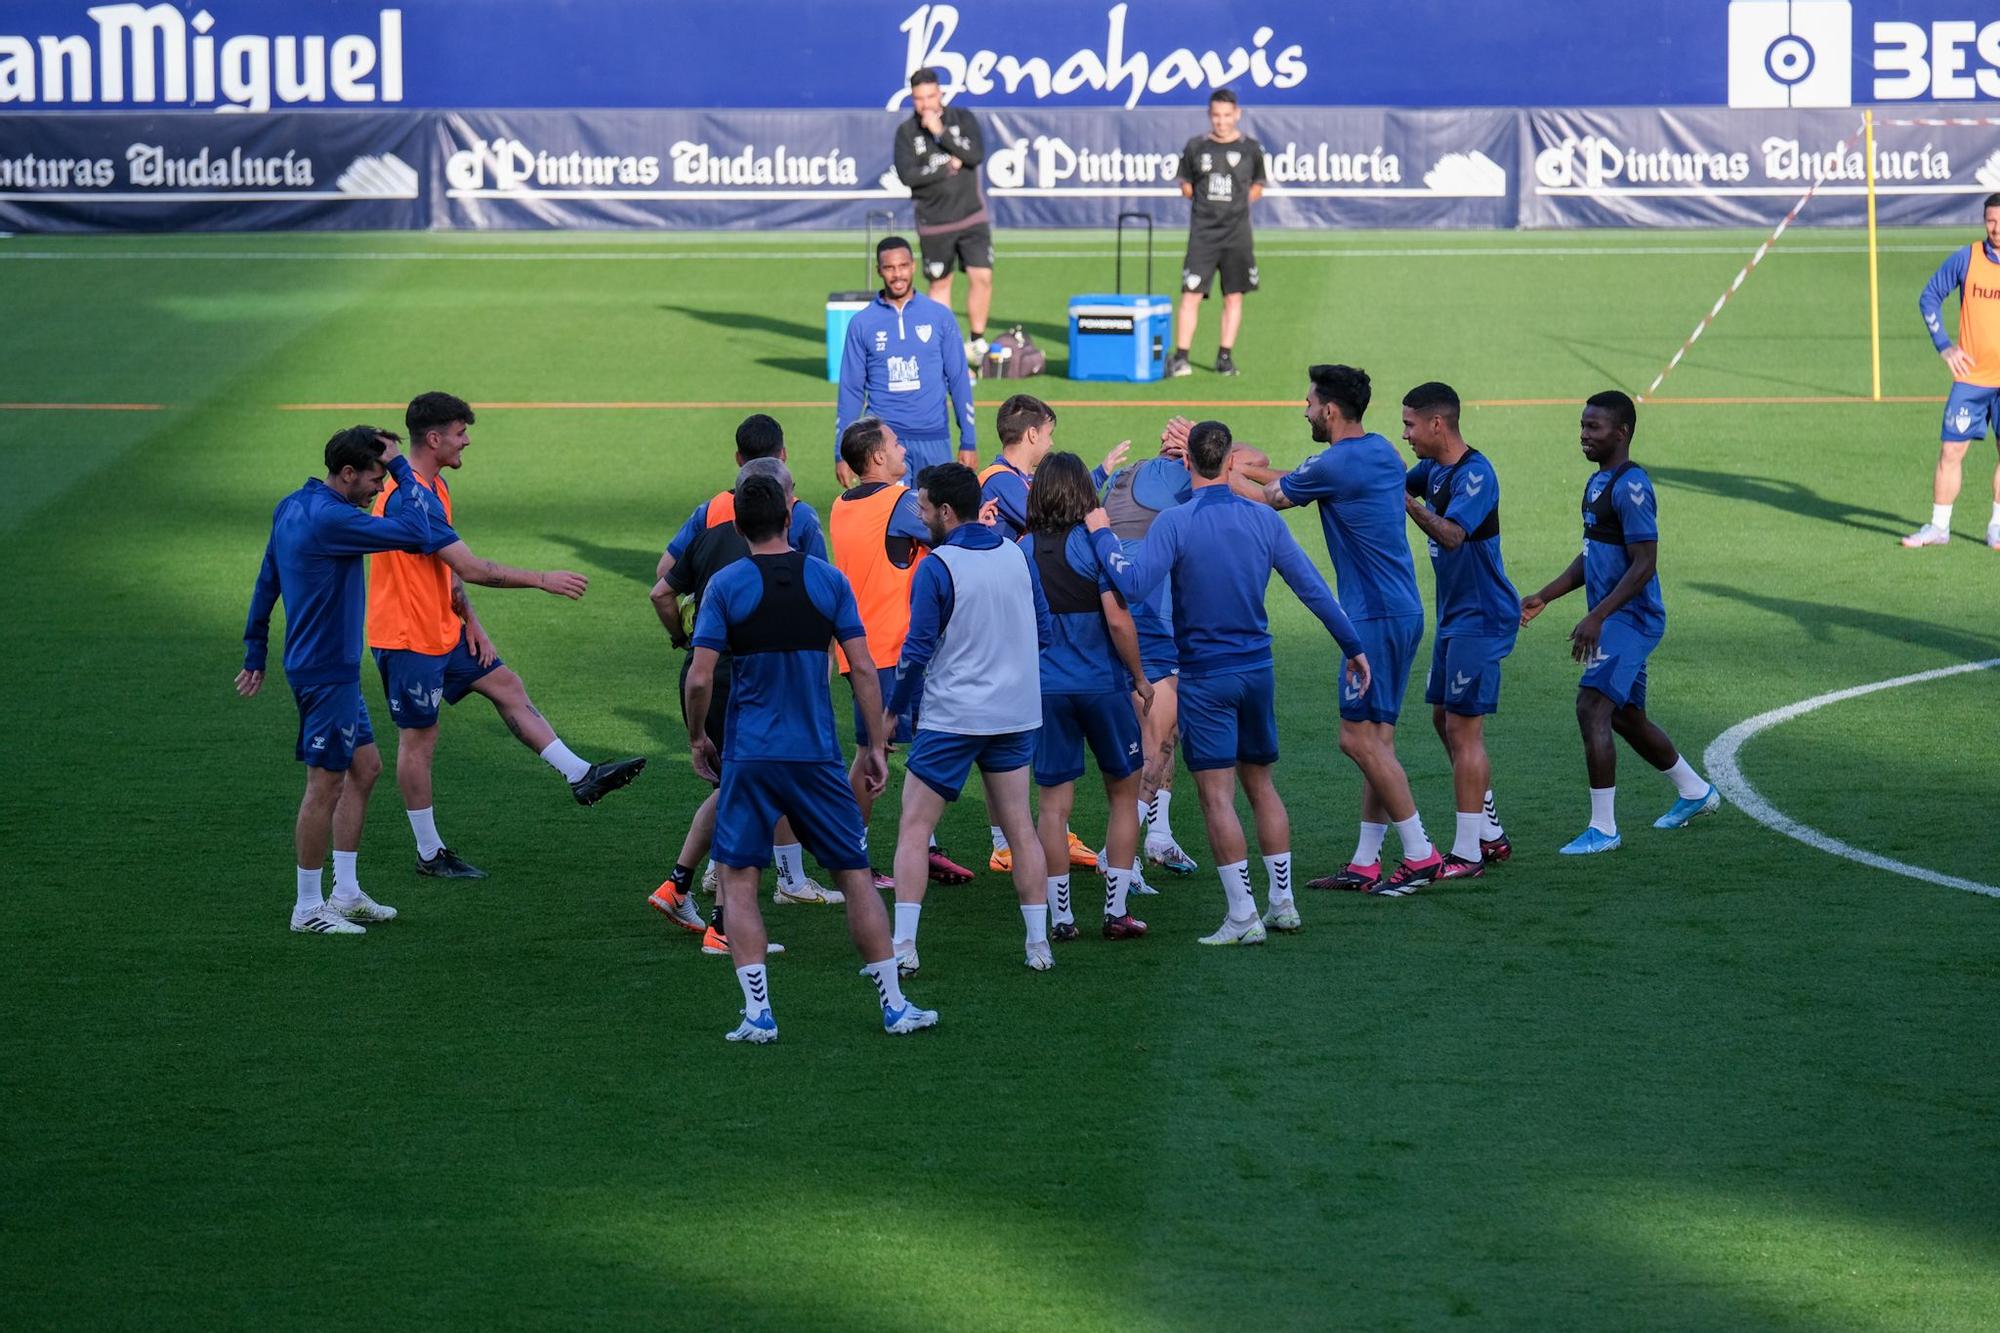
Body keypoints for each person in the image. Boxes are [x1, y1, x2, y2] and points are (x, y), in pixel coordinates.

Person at [682, 471, 937, 1043]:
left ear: (740, 524)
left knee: (739, 880)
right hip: (817, 757)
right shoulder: (828, 581)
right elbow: (864, 670)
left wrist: (699, 736)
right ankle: (895, 1006)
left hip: (750, 757)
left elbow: (700, 678)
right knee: (854, 877)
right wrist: (874, 744)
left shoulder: (725, 586)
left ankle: (758, 1015)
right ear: (791, 515)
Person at [1095, 421, 1370, 945]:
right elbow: (1314, 589)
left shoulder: (1175, 523)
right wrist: (1353, 647)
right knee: (1262, 786)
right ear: (1229, 463)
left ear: (1186, 464)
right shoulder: (1263, 520)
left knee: (1217, 798)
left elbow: (1131, 584)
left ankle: (1243, 915)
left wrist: (1099, 531)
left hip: (1204, 679)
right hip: (1257, 672)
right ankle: (1283, 903)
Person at [368, 392, 643, 882]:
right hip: (408, 639)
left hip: (444, 629)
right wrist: (542, 579)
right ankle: (430, 853)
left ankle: (580, 775)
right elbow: (473, 568)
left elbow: (447, 571)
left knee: (507, 685)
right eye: (459, 433)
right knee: (420, 739)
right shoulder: (409, 500)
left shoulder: (435, 487)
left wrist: (473, 625)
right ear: (433, 439)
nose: (466, 440)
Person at [240, 426, 460, 935]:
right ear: (347, 473)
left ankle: (345, 892)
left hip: (326, 667)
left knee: (366, 768)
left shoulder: (293, 505)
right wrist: (405, 468)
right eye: (375, 479)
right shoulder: (333, 520)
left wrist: (255, 648)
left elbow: (267, 576)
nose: (378, 489)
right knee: (325, 784)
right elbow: (421, 530)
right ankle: (307, 907)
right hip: (325, 672)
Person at [1231, 365, 1442, 892]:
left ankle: (1420, 853)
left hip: (1371, 616)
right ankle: (1367, 862)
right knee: (1379, 741)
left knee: (1355, 739)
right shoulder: (1378, 454)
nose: (1303, 411)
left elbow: (1272, 498)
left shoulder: (1337, 463)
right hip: (1402, 609)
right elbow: (1295, 478)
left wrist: (1210, 468)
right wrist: (1248, 469)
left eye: (1307, 403)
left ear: (1328, 410)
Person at [650, 419, 841, 933]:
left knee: (739, 783)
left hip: (708, 670)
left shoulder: (712, 511)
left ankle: (685, 883)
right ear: (784, 462)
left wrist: (684, 641)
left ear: (738, 462)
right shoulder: (796, 519)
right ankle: (727, 918)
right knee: (753, 784)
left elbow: (662, 589)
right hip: (763, 674)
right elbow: (821, 601)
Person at [1520, 391, 1721, 852]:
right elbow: (1593, 555)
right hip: (1615, 617)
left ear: (1622, 432)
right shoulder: (1598, 483)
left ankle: (1604, 829)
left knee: (1591, 707)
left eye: (1595, 428)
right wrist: (1545, 596)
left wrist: (1597, 614)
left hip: (1632, 619)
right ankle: (1696, 792)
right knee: (1627, 718)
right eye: (1582, 426)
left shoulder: (1632, 487)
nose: (1584, 436)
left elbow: (1644, 564)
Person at [885, 463, 1054, 975]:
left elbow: (916, 652)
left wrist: (895, 712)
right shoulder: (1017, 555)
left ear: (944, 510)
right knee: (1021, 828)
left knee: (914, 828)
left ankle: (904, 949)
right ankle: (1037, 945)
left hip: (954, 716)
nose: (918, 514)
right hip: (1015, 712)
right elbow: (1043, 632)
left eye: (923, 506)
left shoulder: (936, 567)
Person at [976, 393, 1128, 876]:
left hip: (1037, 640)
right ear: (1032, 434)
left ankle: (1049, 893)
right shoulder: (1001, 482)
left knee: (1041, 775)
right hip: (1034, 638)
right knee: (1112, 785)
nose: (1052, 440)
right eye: (1051, 432)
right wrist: (1097, 487)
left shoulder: (1015, 483)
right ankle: (1007, 842)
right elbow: (1058, 512)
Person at [827, 417, 978, 888]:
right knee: (904, 749)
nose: (903, 450)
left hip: (856, 650)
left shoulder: (840, 504)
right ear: (876, 457)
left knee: (878, 749)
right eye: (894, 443)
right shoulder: (898, 501)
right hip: (895, 650)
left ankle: (901, 851)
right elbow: (948, 532)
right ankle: (866, 859)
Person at [1020, 453, 1153, 942]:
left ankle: (1061, 918)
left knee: (1053, 806)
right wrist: (1139, 677)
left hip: (1046, 692)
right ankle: (1116, 911)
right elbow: (1118, 620)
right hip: (1101, 686)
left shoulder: (1023, 547)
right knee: (1123, 794)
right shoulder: (1091, 545)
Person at [1398, 382, 1515, 894]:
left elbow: (1450, 534)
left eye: (1410, 425)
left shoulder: (1476, 475)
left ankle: (1468, 852)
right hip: (1454, 617)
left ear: (1437, 424)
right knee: (1443, 718)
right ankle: (1489, 831)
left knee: (1465, 732)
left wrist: (1408, 505)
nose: (1405, 435)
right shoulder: (1433, 470)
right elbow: (1388, 485)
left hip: (1482, 617)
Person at [834, 237, 977, 489]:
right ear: (879, 270)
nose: (897, 274)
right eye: (889, 268)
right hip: (883, 444)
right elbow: (851, 390)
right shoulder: (862, 323)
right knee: (891, 522)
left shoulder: (939, 316)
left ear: (913, 266)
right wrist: (841, 453)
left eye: (902, 266)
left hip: (934, 439)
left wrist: (969, 440)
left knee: (937, 522)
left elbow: (958, 379)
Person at [1904, 193, 2000, 551]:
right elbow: (1929, 296)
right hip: (1971, 380)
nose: (1997, 228)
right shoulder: (1967, 258)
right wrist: (1944, 344)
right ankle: (1939, 527)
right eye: (1991, 221)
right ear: (1983, 221)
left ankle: (1997, 527)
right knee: (1950, 452)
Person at [895, 66, 993, 364]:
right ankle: (948, 349)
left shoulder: (962, 119)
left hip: (971, 216)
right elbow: (907, 175)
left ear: (940, 94)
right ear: (912, 99)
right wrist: (945, 167)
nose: (926, 104)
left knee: (982, 276)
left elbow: (974, 156)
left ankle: (977, 341)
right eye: (919, 98)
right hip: (934, 223)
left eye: (930, 96)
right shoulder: (906, 132)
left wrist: (941, 133)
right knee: (940, 283)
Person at [1169, 88, 1266, 380]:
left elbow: (1258, 186)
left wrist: (1234, 208)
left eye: (1227, 115)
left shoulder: (1250, 148)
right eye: (1216, 115)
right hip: (1203, 234)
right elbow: (1186, 185)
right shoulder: (1196, 146)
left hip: (1237, 235)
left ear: (1237, 114)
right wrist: (1209, 208)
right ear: (1209, 115)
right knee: (1191, 294)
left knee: (1234, 296)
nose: (1221, 121)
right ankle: (1181, 357)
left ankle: (1224, 357)